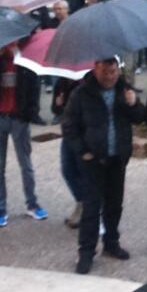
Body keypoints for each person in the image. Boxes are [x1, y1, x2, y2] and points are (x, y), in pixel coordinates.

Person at [63, 57, 145, 274]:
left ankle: (111, 243)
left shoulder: (124, 89)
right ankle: (86, 253)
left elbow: (139, 118)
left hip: (117, 157)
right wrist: (83, 151)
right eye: (105, 72)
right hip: (93, 161)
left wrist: (133, 103)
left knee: (114, 205)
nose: (110, 76)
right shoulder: (81, 94)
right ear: (95, 70)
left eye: (113, 71)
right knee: (91, 208)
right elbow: (69, 127)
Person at [0, 41, 47, 227]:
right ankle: (0, 210)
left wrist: (30, 114)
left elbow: (34, 88)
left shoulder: (25, 61)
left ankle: (32, 204)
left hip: (18, 118)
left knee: (25, 163)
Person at [52, 76, 85, 228]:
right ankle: (82, 201)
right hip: (68, 134)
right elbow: (55, 109)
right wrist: (58, 104)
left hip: (83, 135)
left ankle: (87, 207)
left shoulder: (86, 83)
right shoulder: (61, 83)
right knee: (67, 170)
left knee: (83, 171)